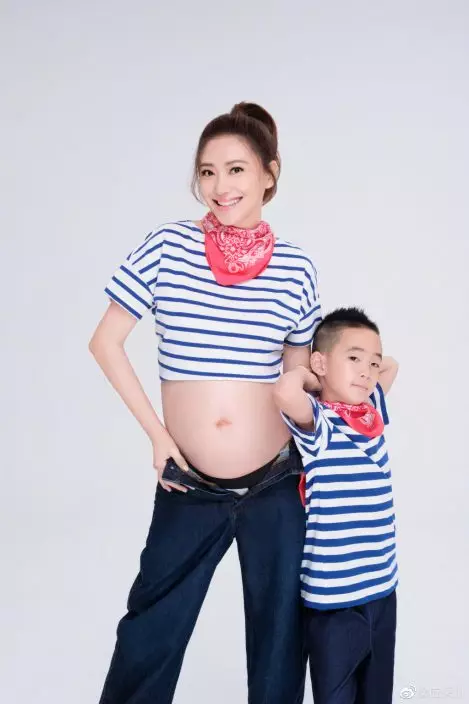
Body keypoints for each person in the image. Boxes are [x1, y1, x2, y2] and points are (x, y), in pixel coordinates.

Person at [89, 101, 322, 704]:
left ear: (269, 173)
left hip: (277, 480)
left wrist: (352, 392)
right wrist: (158, 436)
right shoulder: (168, 246)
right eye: (208, 171)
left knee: (280, 637)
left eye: (236, 169)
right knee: (151, 629)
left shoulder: (296, 268)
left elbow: (295, 381)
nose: (221, 186)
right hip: (188, 480)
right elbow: (105, 342)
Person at [273, 307, 399, 704]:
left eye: (372, 363)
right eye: (354, 358)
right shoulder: (320, 422)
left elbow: (392, 365)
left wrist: (362, 366)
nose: (367, 371)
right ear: (321, 363)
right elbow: (284, 391)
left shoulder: (371, 411)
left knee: (377, 693)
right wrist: (313, 377)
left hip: (382, 587)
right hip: (335, 599)